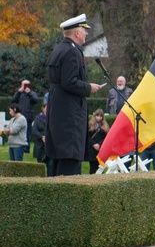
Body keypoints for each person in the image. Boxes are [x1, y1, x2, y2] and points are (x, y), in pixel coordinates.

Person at [45, 14, 102, 176]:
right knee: (70, 156)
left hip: (59, 108)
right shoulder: (72, 52)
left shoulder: (59, 49)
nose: (86, 34)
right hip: (69, 112)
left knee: (60, 156)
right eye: (84, 31)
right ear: (76, 33)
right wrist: (88, 87)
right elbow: (69, 82)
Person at [11, 80, 38, 146]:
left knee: (27, 133)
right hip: (19, 116)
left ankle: (26, 148)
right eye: (22, 85)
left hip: (28, 116)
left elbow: (35, 100)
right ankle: (19, 146)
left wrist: (29, 93)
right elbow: (13, 100)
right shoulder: (19, 93)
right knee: (19, 132)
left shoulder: (32, 93)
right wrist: (18, 92)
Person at [32, 101, 49, 172]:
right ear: (43, 108)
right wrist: (41, 136)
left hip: (49, 143)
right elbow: (34, 130)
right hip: (39, 143)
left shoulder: (53, 118)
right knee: (39, 162)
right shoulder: (38, 118)